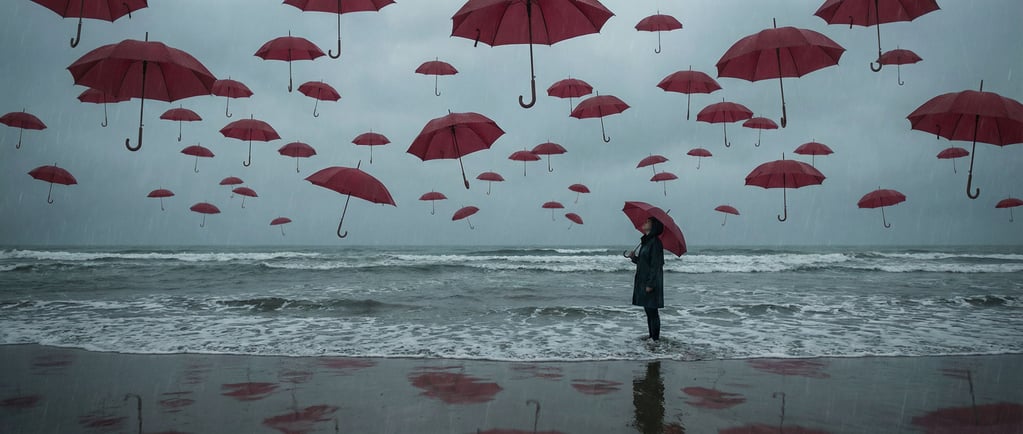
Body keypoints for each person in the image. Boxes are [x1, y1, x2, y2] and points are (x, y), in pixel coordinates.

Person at [628, 217, 665, 342]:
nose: (644, 222)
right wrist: (634, 258)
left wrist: (651, 284)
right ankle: (652, 337)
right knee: (648, 311)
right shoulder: (647, 242)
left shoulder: (655, 243)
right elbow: (644, 263)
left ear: (654, 225)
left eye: (647, 221)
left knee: (652, 311)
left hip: (651, 282)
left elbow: (656, 265)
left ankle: (655, 339)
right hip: (644, 280)